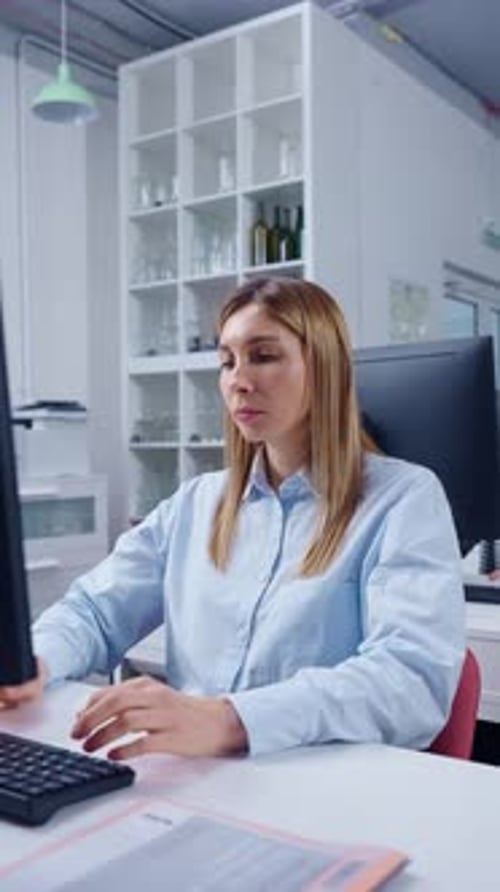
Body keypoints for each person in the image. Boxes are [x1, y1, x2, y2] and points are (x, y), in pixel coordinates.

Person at [0, 277, 465, 760]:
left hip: (321, 787)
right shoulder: (196, 504)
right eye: (227, 361)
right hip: (197, 779)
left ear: (324, 367)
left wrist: (231, 719)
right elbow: (93, 613)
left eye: (263, 356)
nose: (238, 380)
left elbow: (409, 680)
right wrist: (32, 663)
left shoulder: (402, 499)